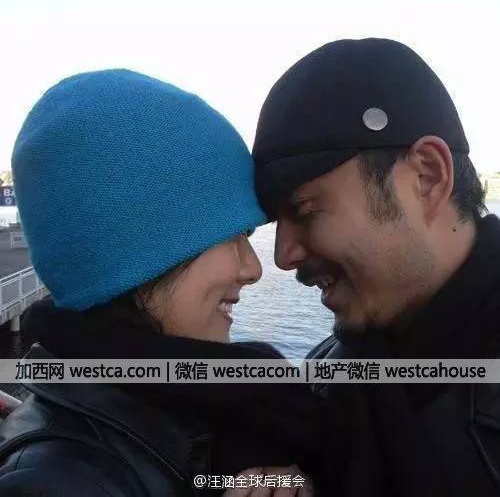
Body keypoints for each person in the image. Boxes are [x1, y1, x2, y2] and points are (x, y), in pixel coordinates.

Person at [0, 70, 322, 496]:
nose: (253, 268)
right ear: (135, 252)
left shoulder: (191, 416)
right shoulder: (54, 482)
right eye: (230, 235)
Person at [252, 38, 500, 496]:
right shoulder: (331, 375)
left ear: (427, 177)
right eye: (274, 223)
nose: (283, 257)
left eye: (304, 210)